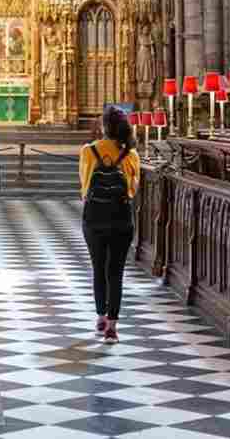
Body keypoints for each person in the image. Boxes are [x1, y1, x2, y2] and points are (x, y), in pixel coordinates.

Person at [79, 105, 142, 343]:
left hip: (94, 218)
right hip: (121, 218)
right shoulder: (132, 154)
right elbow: (133, 190)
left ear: (104, 127)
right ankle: (112, 328)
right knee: (115, 272)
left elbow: (84, 188)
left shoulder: (88, 151)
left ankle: (100, 317)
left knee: (98, 269)